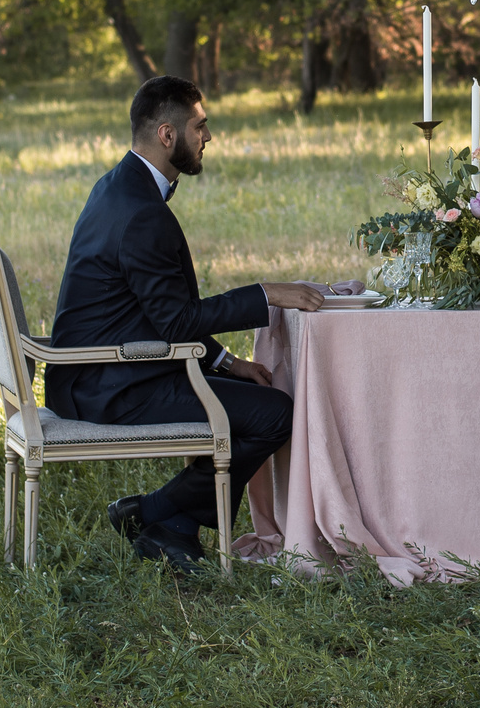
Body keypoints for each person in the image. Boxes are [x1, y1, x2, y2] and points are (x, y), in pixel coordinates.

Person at [46, 75, 326, 570]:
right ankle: (154, 513)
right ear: (167, 136)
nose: (209, 137)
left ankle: (172, 527)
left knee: (249, 398)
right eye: (201, 126)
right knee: (273, 413)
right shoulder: (141, 212)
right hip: (110, 384)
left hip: (104, 370)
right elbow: (175, 320)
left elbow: (157, 308)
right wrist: (264, 294)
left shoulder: (118, 185)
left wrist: (224, 360)